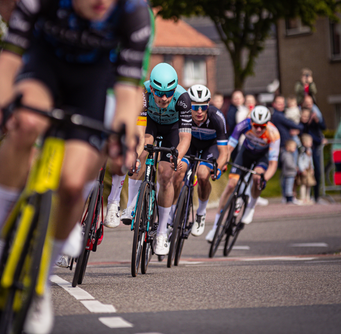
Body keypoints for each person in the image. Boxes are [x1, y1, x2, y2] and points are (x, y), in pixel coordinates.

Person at [0, 0, 153, 334]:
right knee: (27, 122)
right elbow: (9, 59)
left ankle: (39, 285)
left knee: (72, 187)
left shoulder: (134, 11)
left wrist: (125, 137)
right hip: (43, 69)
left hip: (91, 84)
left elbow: (126, 91)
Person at [118, 63, 192, 256]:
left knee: (166, 174)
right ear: (152, 88)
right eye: (159, 93)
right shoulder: (143, 91)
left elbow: (185, 138)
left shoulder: (183, 99)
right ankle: (131, 204)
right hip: (150, 124)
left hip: (173, 129)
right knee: (141, 153)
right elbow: (139, 132)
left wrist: (178, 156)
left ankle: (161, 234)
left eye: (169, 93)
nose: (164, 98)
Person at [206, 106, 280, 242]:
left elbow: (273, 164)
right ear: (250, 122)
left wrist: (265, 178)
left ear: (267, 124)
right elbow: (229, 148)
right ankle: (215, 226)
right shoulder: (243, 125)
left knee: (257, 177)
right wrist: (223, 163)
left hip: (261, 158)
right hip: (245, 153)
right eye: (255, 126)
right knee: (231, 185)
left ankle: (250, 208)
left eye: (262, 127)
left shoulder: (274, 133)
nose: (258, 129)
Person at [172, 85, 228, 237]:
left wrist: (218, 167)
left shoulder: (217, 117)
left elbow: (224, 152)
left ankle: (201, 213)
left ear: (208, 104)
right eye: (195, 107)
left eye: (203, 107)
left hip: (211, 147)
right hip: (190, 144)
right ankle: (172, 210)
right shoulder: (183, 114)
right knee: (178, 172)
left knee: (203, 175)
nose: (199, 111)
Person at [300, 99, 326, 203]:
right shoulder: (302, 124)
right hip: (306, 151)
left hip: (315, 149)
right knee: (305, 173)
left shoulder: (315, 118)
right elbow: (307, 135)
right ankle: (307, 196)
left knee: (317, 172)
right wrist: (320, 140)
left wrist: (317, 121)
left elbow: (323, 127)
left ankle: (316, 196)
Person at [296, 133, 316, 204]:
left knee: (309, 184)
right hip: (304, 169)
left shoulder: (310, 150)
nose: (311, 143)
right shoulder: (302, 151)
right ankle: (303, 197)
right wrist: (302, 169)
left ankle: (308, 197)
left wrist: (312, 168)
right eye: (309, 141)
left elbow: (311, 160)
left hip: (309, 169)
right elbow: (300, 160)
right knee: (303, 184)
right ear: (304, 142)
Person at [281, 139, 300, 204]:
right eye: (293, 147)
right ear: (288, 147)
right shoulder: (287, 155)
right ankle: (289, 199)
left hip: (290, 173)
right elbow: (288, 164)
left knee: (288, 186)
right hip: (289, 173)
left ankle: (287, 198)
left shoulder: (288, 154)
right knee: (289, 186)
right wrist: (295, 167)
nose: (295, 149)